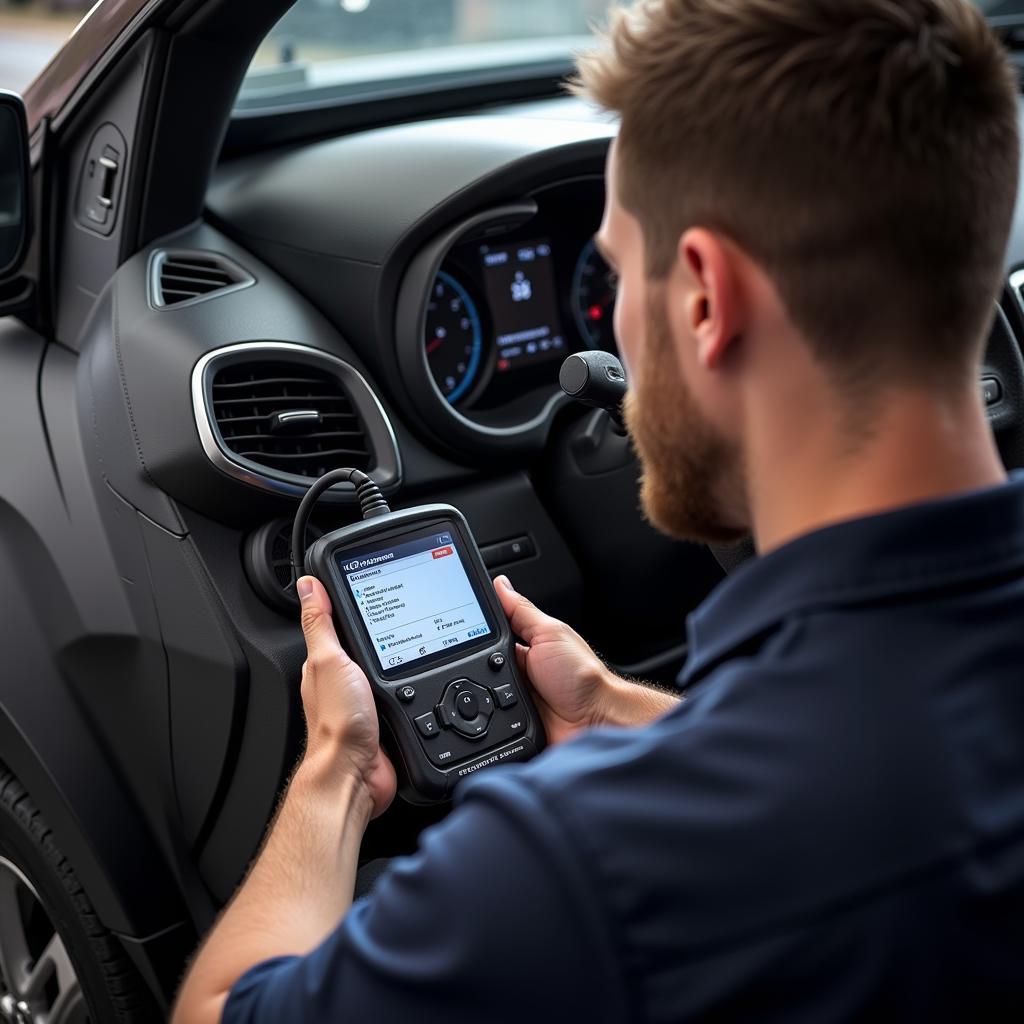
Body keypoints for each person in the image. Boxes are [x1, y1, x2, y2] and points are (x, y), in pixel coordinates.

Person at [173, 1, 1024, 1021]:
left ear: (705, 298)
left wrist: (336, 770)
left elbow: (218, 1008)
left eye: (615, 274)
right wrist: (617, 707)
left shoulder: (572, 866)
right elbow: (880, 774)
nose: (609, 326)